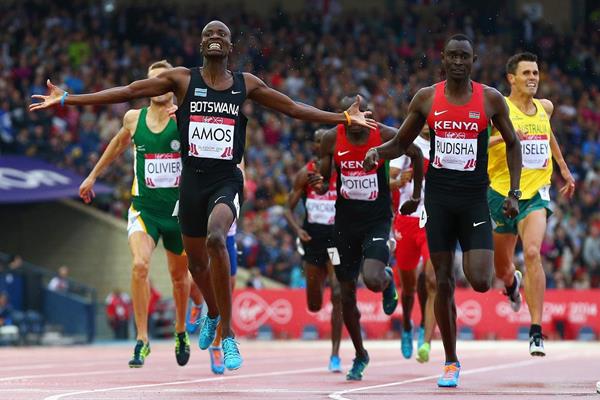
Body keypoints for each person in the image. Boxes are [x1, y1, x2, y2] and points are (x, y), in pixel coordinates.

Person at [31, 20, 375, 371]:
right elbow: (128, 90)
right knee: (196, 264)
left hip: (225, 180)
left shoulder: (245, 84)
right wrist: (69, 98)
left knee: (215, 237)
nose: (214, 38)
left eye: (221, 35)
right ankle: (212, 311)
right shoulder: (182, 79)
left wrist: (343, 118)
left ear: (229, 47)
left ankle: (228, 335)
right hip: (190, 183)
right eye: (208, 34)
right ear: (200, 45)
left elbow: (293, 108)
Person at [364, 34, 522, 387]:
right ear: (443, 60)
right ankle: (450, 361)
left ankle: (506, 285)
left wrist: (513, 191)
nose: (458, 62)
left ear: (473, 60)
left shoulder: (490, 99)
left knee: (480, 280)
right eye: (452, 56)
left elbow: (512, 143)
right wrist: (379, 152)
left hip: (473, 200)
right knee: (442, 281)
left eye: (464, 57)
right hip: (438, 199)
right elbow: (402, 142)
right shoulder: (426, 98)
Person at [78, 60, 192, 368]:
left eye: (164, 81)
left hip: (178, 215)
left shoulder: (186, 118)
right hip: (144, 210)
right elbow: (116, 147)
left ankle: (181, 330)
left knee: (180, 278)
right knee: (140, 265)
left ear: (172, 86)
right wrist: (92, 176)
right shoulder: (133, 118)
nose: (158, 87)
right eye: (152, 82)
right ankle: (142, 339)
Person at [310, 95, 423, 381]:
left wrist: (417, 196)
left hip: (376, 221)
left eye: (363, 113)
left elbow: (418, 155)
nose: (359, 120)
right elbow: (325, 180)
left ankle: (385, 280)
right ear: (343, 116)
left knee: (371, 279)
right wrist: (321, 185)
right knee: (343, 294)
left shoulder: (382, 134)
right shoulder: (329, 139)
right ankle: (360, 354)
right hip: (343, 225)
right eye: (352, 115)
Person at [487, 52, 575, 356]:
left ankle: (536, 330)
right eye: (526, 73)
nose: (533, 78)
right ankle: (512, 285)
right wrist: (508, 138)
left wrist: (563, 167)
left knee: (534, 251)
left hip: (536, 193)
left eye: (535, 73)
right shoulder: (499, 109)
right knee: (502, 268)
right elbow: (478, 143)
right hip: (501, 193)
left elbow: (548, 136)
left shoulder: (545, 107)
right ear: (512, 78)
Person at [283, 128, 343, 373]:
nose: (321, 145)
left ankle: (335, 354)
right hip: (312, 240)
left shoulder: (341, 172)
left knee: (338, 291)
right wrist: (298, 230)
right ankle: (318, 291)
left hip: (334, 242)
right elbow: (287, 208)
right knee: (315, 304)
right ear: (314, 146)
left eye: (325, 142)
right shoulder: (304, 174)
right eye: (317, 142)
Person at [389, 124, 437, 363]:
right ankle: (407, 324)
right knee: (408, 288)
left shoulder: (443, 143)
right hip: (406, 221)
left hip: (431, 221)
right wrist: (399, 180)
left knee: (432, 279)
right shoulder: (405, 143)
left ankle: (425, 337)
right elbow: (388, 181)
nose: (429, 124)